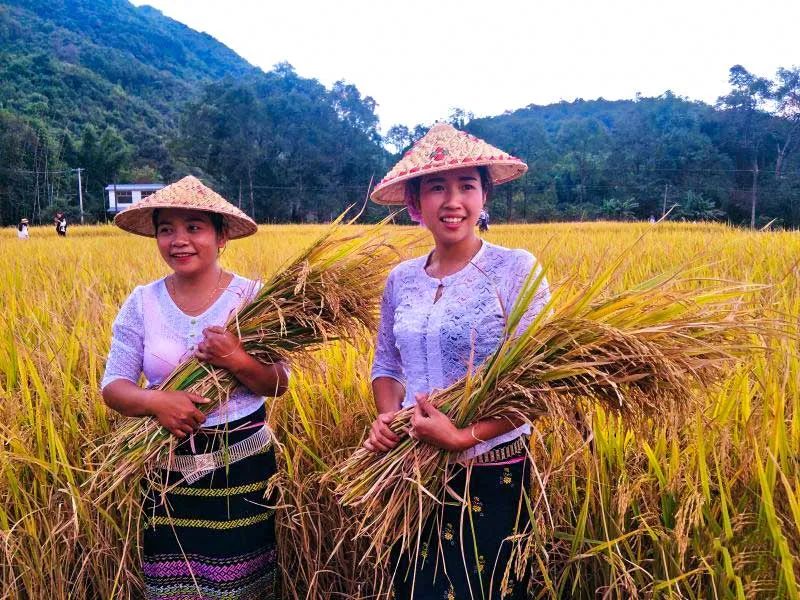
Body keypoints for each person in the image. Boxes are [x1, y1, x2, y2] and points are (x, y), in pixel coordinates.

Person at [367, 123, 550, 599]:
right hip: (412, 471)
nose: (453, 201)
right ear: (414, 205)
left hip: (491, 472)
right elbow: (386, 365)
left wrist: (462, 436)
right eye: (436, 188)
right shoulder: (401, 280)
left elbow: (538, 385)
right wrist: (387, 415)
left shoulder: (516, 269)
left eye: (467, 186)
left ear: (483, 195)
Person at [101, 176, 288, 599]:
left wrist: (236, 359)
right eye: (166, 229)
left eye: (194, 227)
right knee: (173, 586)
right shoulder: (142, 302)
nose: (179, 240)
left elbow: (279, 383)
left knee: (239, 584)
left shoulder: (254, 298)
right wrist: (155, 401)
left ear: (221, 236)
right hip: (166, 473)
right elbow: (113, 385)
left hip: (241, 472)